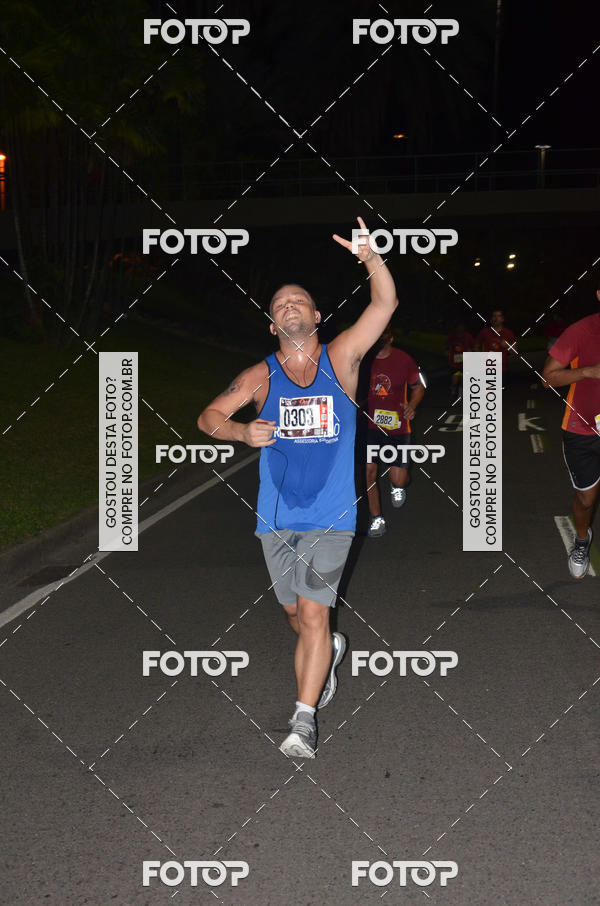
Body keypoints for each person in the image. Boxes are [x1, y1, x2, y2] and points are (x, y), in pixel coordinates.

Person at [197, 217, 398, 758]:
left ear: (316, 316)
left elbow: (383, 306)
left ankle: (303, 720)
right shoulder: (260, 377)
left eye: (299, 300)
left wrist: (371, 260)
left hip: (334, 515)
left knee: (312, 612)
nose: (288, 305)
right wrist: (241, 430)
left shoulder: (343, 358)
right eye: (279, 304)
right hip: (277, 517)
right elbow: (208, 416)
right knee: (295, 615)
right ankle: (328, 649)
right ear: (271, 325)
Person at [542, 286, 600, 578]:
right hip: (583, 428)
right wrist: (588, 372)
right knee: (586, 499)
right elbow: (548, 377)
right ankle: (581, 540)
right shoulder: (580, 331)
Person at [365, 326, 425, 537]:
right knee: (369, 471)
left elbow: (419, 387)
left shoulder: (404, 360)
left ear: (390, 337)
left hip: (398, 428)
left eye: (383, 335)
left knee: (399, 478)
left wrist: (412, 406)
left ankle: (397, 484)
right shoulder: (365, 360)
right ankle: (377, 519)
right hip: (371, 427)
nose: (378, 339)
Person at [446, 323, 475, 403]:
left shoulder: (468, 336)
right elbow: (447, 346)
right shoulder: (452, 336)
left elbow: (473, 345)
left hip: (465, 362)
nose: (460, 329)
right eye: (458, 327)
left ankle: (460, 396)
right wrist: (448, 354)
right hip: (454, 363)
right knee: (455, 380)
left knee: (463, 380)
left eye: (461, 327)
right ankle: (453, 392)